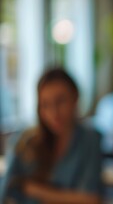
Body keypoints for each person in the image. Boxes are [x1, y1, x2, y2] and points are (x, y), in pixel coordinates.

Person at [0, 68, 103, 204]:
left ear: (75, 98)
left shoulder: (90, 139)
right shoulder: (25, 142)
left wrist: (33, 189)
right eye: (45, 105)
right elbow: (6, 191)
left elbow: (91, 199)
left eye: (60, 101)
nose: (54, 113)